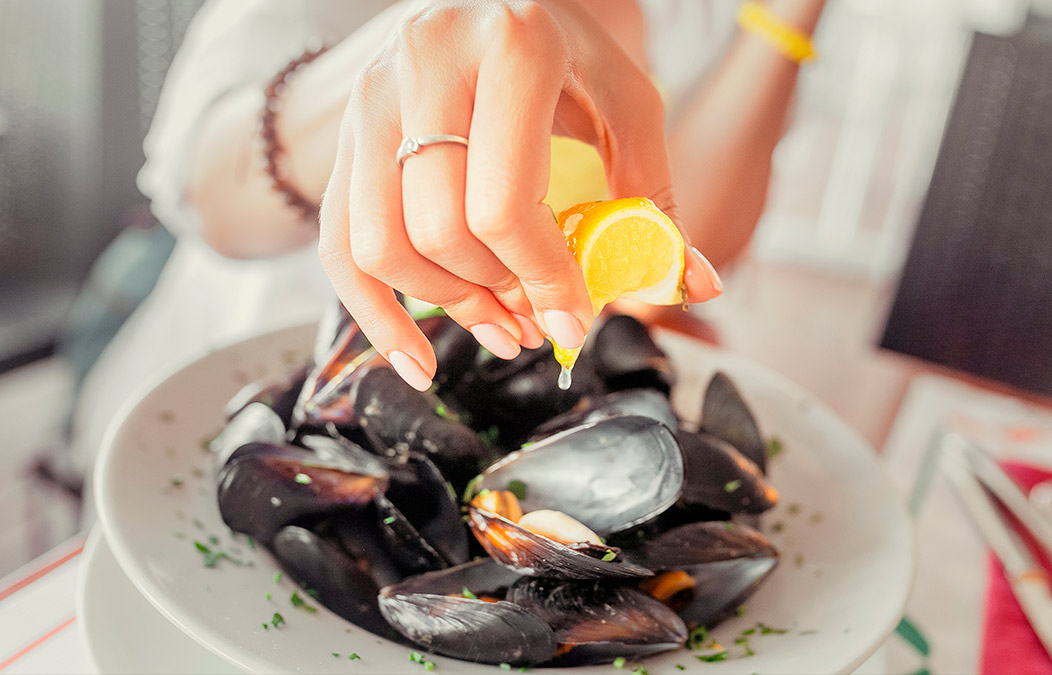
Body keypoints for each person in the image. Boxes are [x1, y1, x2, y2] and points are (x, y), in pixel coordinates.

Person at [71, 0, 825, 469]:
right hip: (219, 420)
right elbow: (210, 190)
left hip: (508, 419)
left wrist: (788, 15)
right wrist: (405, 46)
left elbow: (682, 246)